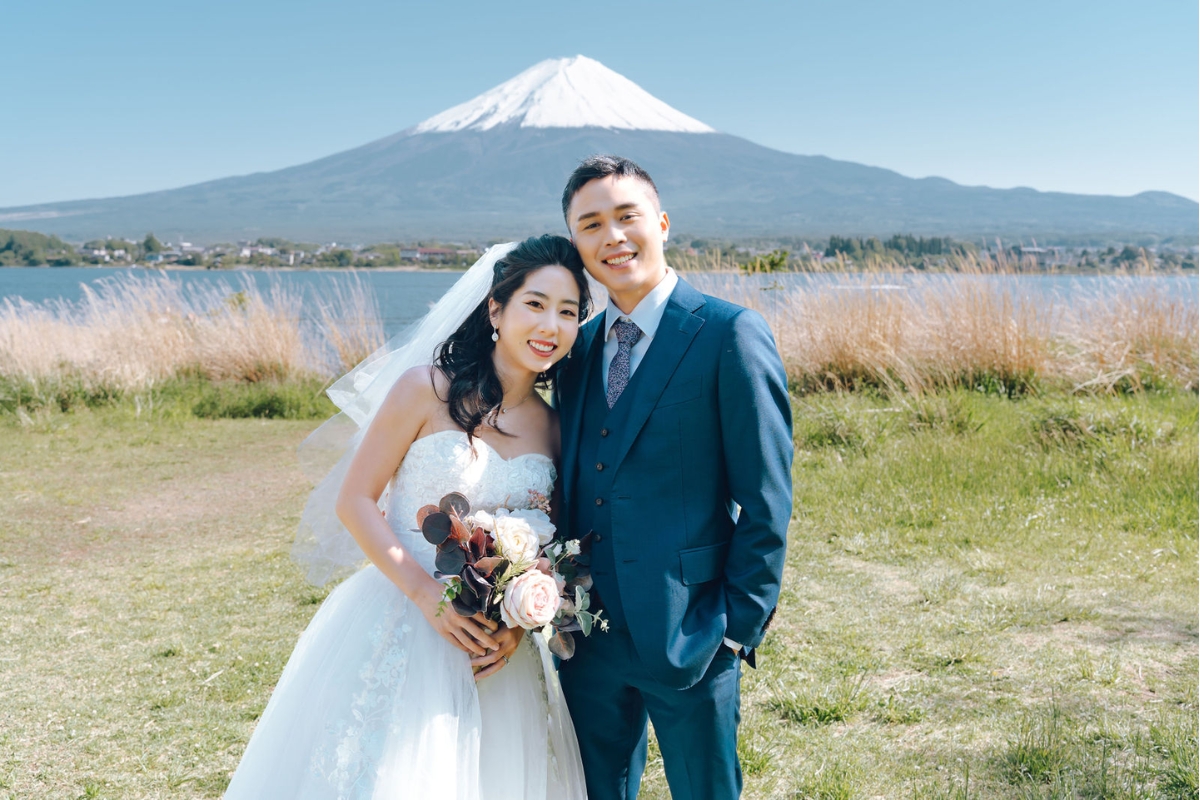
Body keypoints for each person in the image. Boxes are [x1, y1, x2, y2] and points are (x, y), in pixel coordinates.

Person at [224, 235, 591, 799]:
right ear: (496, 309)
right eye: (535, 304)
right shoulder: (424, 390)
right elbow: (355, 501)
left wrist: (517, 622)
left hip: (492, 648)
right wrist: (426, 595)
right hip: (400, 612)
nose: (551, 326)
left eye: (568, 312)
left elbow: (551, 544)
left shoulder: (555, 427)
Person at [555, 155, 794, 800]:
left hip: (692, 631)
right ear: (576, 244)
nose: (613, 237)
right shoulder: (575, 350)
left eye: (627, 216)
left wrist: (737, 627)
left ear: (661, 222)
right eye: (591, 225)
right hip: (587, 637)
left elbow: (767, 499)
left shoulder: (729, 334)